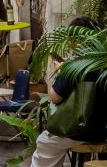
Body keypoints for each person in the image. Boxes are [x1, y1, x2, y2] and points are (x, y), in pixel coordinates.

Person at [30, 17, 105, 167]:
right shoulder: (102, 60)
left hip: (77, 129)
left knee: (45, 142)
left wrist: (60, 72)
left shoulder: (73, 66)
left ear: (74, 39)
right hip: (101, 130)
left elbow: (54, 97)